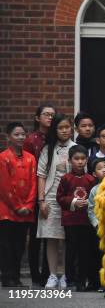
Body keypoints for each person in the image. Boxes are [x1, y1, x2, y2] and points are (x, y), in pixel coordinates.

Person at [37, 114, 77, 289]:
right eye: (60, 128)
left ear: (71, 129)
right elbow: (41, 176)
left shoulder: (76, 148)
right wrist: (41, 200)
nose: (64, 130)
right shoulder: (48, 149)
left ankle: (65, 275)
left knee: (69, 238)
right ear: (55, 130)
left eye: (67, 127)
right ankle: (53, 275)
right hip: (51, 197)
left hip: (70, 198)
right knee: (51, 237)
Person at [56, 145, 98, 291]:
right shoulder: (66, 179)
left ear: (87, 160)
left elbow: (96, 198)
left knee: (84, 251)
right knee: (71, 251)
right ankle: (70, 279)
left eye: (83, 159)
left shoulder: (91, 179)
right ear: (70, 160)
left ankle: (82, 280)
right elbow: (60, 198)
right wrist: (73, 202)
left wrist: (89, 202)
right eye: (76, 159)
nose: (80, 162)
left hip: (86, 221)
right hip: (70, 220)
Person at [0, 122, 37, 287]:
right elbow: (4, 185)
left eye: (23, 134)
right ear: (9, 137)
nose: (21, 137)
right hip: (7, 209)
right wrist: (16, 206)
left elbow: (34, 183)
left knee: (20, 245)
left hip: (26, 210)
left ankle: (16, 277)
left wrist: (28, 206)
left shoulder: (31, 158)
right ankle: (7, 277)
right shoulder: (3, 157)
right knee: (7, 245)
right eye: (17, 134)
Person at [23, 103, 55, 286]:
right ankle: (35, 275)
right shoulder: (31, 140)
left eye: (52, 115)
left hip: (52, 192)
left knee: (49, 234)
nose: (50, 117)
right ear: (37, 118)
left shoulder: (56, 137)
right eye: (46, 114)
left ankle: (47, 274)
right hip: (35, 191)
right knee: (35, 235)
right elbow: (28, 167)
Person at [87, 157, 105, 292]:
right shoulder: (95, 190)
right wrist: (95, 223)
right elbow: (90, 208)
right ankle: (102, 282)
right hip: (101, 228)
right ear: (94, 174)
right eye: (100, 168)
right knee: (101, 256)